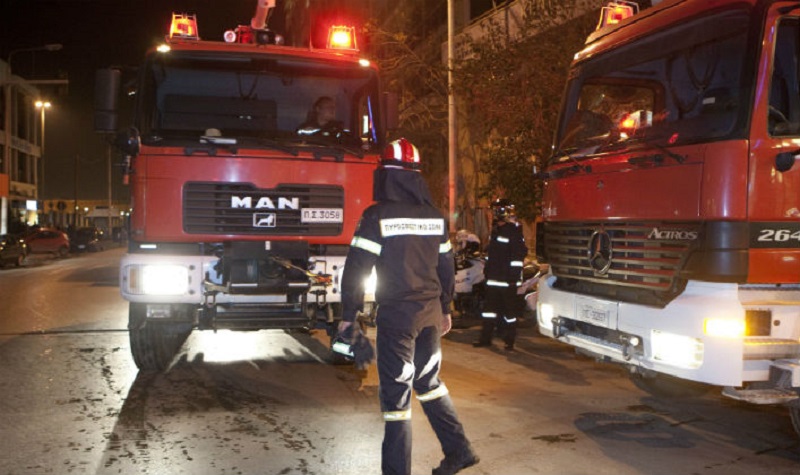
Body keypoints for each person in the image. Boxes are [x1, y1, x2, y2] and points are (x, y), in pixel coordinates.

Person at [339, 138, 479, 475]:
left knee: (396, 401)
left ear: (386, 175)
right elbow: (446, 268)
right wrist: (445, 308)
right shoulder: (434, 217)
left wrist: (347, 316)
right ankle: (459, 451)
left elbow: (357, 269)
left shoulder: (376, 216)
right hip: (429, 314)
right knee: (429, 383)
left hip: (398, 317)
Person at [473, 198, 528, 351]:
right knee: (489, 312)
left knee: (509, 312)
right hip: (493, 279)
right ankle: (485, 339)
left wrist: (513, 278)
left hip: (507, 281)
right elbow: (492, 255)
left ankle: (509, 341)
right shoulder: (495, 231)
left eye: (496, 211)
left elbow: (518, 256)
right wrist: (487, 272)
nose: (493, 214)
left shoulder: (513, 231)